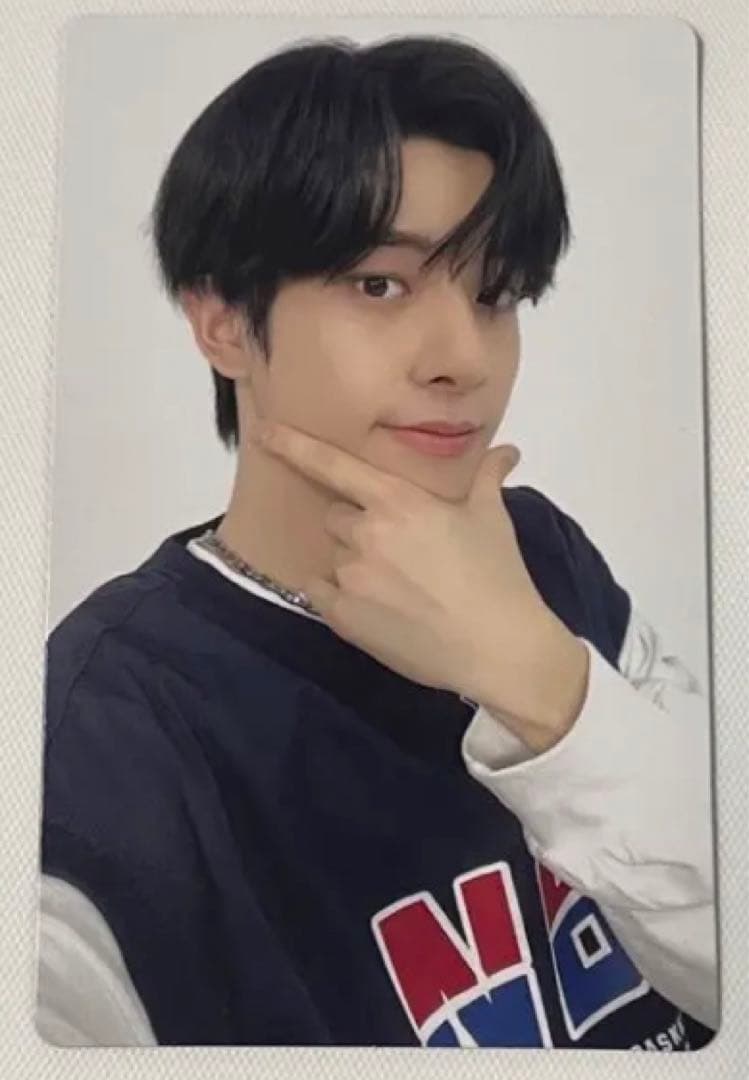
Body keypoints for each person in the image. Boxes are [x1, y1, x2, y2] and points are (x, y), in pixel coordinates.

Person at [36, 34, 717, 1048]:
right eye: (379, 285)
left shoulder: (541, 554)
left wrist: (541, 683)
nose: (462, 358)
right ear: (222, 322)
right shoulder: (105, 728)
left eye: (493, 293)